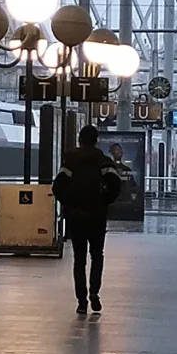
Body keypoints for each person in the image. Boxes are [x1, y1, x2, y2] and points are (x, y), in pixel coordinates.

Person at [54, 124, 129, 317]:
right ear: (96, 141)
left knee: (79, 259)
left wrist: (69, 203)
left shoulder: (70, 160)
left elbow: (57, 186)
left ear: (80, 139)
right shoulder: (104, 162)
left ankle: (81, 301)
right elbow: (115, 186)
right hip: (97, 216)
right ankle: (94, 291)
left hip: (76, 216)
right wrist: (104, 202)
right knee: (97, 255)